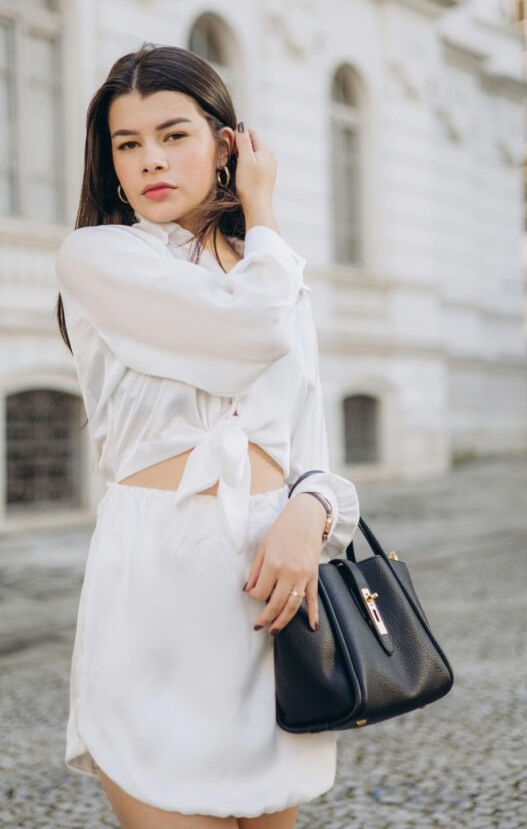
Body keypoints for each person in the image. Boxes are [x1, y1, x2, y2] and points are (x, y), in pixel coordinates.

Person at [54, 43, 360, 829]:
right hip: (155, 587)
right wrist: (263, 212)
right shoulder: (98, 257)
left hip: (266, 592)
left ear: (227, 142)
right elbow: (248, 333)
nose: (150, 159)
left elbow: (314, 456)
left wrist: (310, 516)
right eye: (127, 144)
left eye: (173, 133)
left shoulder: (275, 272)